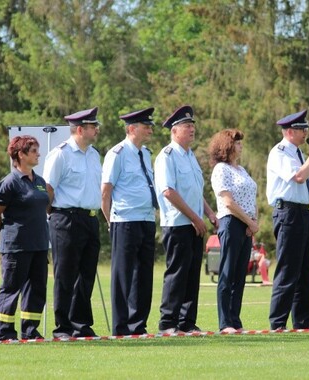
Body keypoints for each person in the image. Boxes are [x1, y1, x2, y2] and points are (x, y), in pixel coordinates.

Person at [154, 105, 218, 334]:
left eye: (192, 126)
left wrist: (209, 213)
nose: (192, 129)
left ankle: (187, 322)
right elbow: (168, 192)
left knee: (192, 275)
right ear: (174, 131)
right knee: (177, 274)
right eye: (187, 126)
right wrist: (194, 217)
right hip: (178, 224)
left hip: (195, 223)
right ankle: (168, 323)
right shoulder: (167, 156)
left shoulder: (190, 156)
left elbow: (194, 191)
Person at [43, 107, 102, 338]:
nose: (96, 129)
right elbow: (48, 189)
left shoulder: (94, 154)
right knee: (65, 275)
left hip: (89, 219)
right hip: (66, 219)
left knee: (86, 275)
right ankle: (63, 327)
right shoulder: (60, 154)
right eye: (92, 126)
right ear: (80, 129)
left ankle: (81, 325)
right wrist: (54, 218)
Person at [101, 107, 158, 336]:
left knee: (144, 275)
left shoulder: (145, 153)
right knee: (123, 275)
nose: (150, 130)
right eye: (146, 127)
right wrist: (110, 221)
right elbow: (106, 192)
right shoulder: (117, 153)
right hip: (124, 220)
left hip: (146, 219)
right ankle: (120, 326)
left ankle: (138, 324)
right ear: (131, 128)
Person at [266, 110, 309, 330]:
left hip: (304, 213)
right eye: (301, 129)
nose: (305, 133)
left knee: (306, 271)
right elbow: (298, 177)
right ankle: (278, 322)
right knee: (288, 269)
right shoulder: (280, 152)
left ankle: (303, 321)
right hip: (288, 213)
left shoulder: (298, 153)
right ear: (289, 132)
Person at [0, 136, 50, 340]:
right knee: (11, 289)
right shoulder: (9, 183)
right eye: (34, 150)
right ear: (21, 154)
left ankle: (30, 330)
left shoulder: (40, 181)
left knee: (36, 289)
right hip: (16, 246)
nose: (38, 154)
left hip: (39, 244)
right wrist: (3, 236)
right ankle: (6, 332)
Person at [209, 129, 258, 334]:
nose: (240, 146)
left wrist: (254, 222)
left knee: (240, 274)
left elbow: (251, 197)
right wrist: (248, 221)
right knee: (228, 273)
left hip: (246, 224)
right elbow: (228, 201)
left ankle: (235, 320)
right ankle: (225, 322)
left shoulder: (242, 170)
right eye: (237, 142)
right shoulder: (221, 169)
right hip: (230, 222)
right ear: (227, 146)